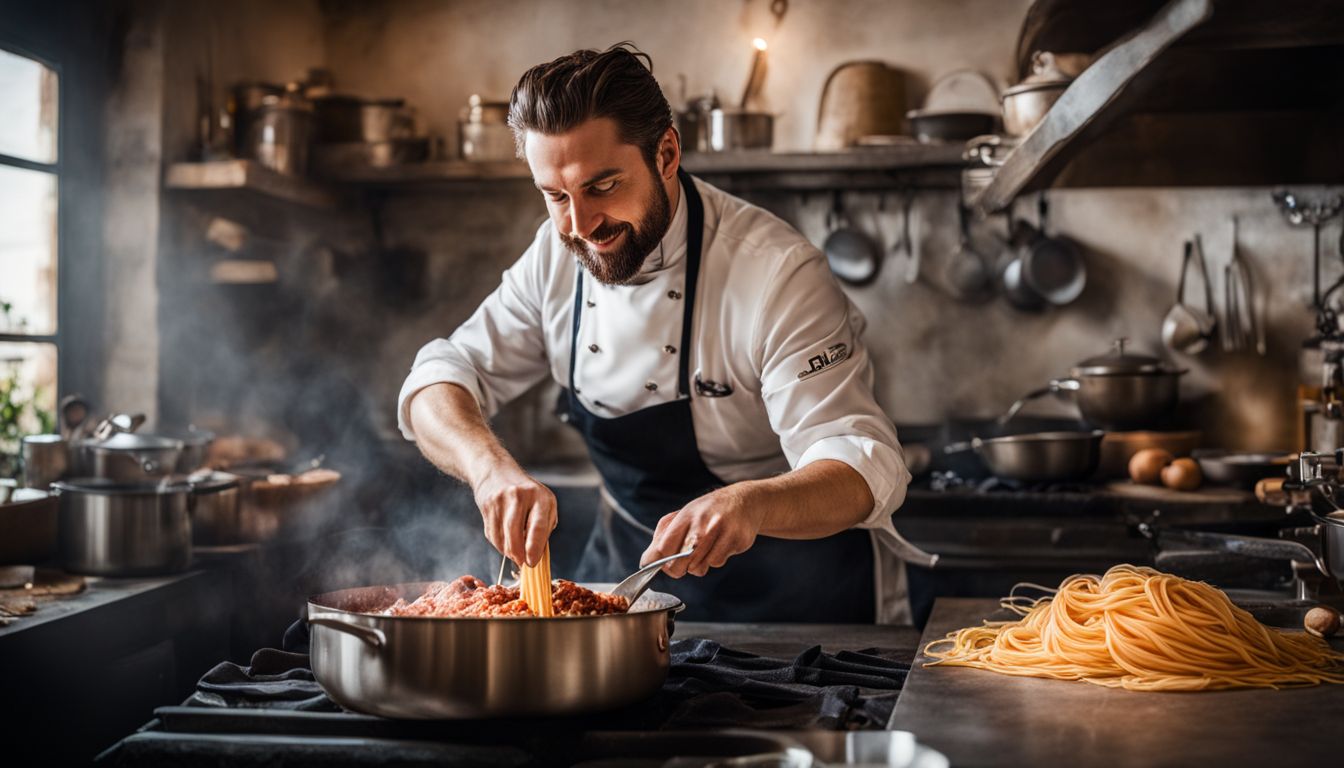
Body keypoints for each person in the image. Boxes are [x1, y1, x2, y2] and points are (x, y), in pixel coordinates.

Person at [398, 43, 934, 623]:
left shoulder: (775, 273)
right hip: (635, 596)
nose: (579, 226)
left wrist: (750, 502)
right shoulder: (556, 257)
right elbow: (441, 376)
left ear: (668, 153)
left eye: (602, 186)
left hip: (802, 599)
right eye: (555, 196)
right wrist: (489, 471)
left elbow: (862, 464)